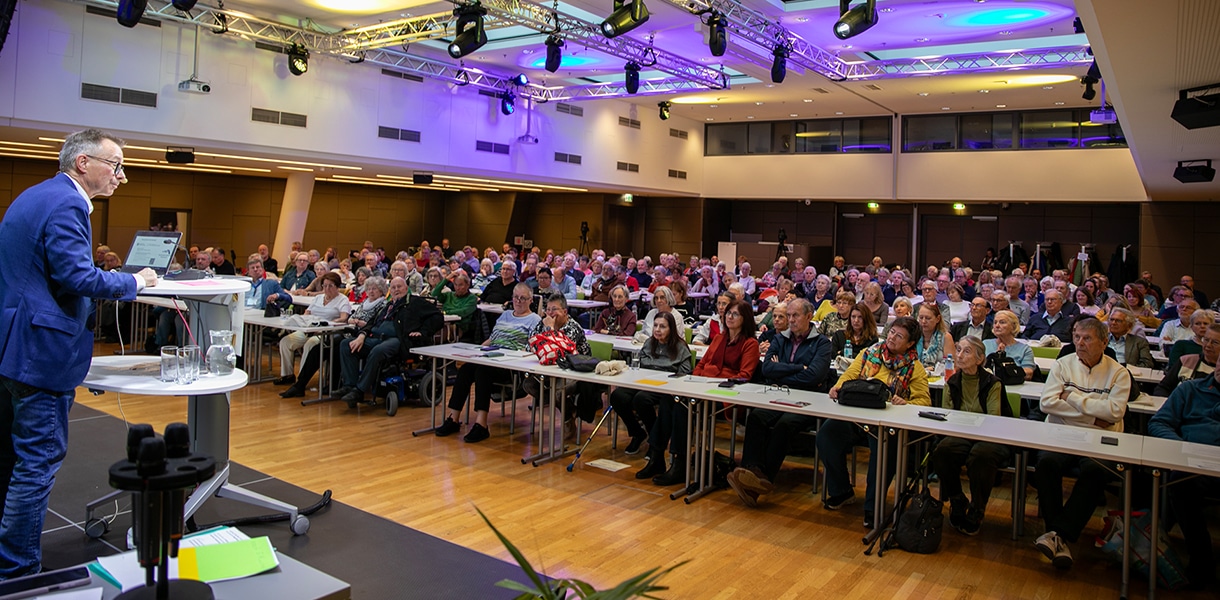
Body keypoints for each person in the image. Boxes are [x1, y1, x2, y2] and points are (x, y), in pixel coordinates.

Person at [0, 128, 158, 579]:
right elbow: (76, 277)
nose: (122, 177)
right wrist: (134, 282)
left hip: (13, 348)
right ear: (83, 163)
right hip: (41, 354)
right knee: (36, 464)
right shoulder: (68, 202)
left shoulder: (35, 196)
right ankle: (18, 572)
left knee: (10, 460)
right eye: (116, 166)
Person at [1033, 315, 1131, 570]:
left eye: (1087, 338)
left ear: (1103, 342)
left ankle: (1057, 535)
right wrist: (1093, 415)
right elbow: (1046, 404)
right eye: (1076, 337)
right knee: (1046, 463)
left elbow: (1115, 413)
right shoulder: (1063, 364)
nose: (1079, 343)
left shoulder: (1118, 373)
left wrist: (1071, 396)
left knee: (1095, 470)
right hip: (1061, 435)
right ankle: (1059, 535)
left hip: (1101, 440)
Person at [817, 316, 930, 528]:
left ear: (910, 344)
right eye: (892, 332)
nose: (893, 338)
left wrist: (905, 402)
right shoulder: (869, 353)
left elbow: (924, 400)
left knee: (882, 450)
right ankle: (841, 491)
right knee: (827, 434)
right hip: (858, 415)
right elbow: (850, 375)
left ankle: (872, 506)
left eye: (900, 336)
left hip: (888, 424)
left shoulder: (914, 367)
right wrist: (838, 387)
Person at [725, 299, 833, 507]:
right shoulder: (779, 338)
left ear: (809, 316)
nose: (790, 320)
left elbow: (813, 376)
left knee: (785, 424)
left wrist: (783, 370)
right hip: (777, 394)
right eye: (789, 316)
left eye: (795, 316)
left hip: (808, 399)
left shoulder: (822, 343)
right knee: (756, 417)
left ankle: (760, 478)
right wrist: (798, 368)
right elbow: (767, 370)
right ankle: (752, 471)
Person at [437, 285, 541, 443]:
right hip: (492, 355)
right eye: (516, 297)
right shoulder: (505, 315)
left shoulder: (534, 320)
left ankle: (481, 424)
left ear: (530, 300)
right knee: (466, 369)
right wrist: (478, 350)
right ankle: (453, 418)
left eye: (523, 298)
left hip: (512, 365)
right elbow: (493, 338)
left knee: (482, 371)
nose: (518, 301)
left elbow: (533, 347)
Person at [1148, 367, 1220, 589]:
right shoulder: (1190, 389)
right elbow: (1159, 423)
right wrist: (1183, 448)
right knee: (1181, 483)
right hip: (1191, 462)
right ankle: (1201, 560)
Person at [933, 336, 1010, 536]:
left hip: (990, 435)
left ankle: (977, 507)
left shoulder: (993, 383)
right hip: (961, 432)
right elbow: (947, 414)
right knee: (943, 451)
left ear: (979, 359)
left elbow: (994, 418)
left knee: (980, 455)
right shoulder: (952, 381)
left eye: (966, 351)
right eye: (958, 350)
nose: (959, 355)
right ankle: (957, 498)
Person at [335, 277, 442, 407]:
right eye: (393, 287)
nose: (396, 290)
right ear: (389, 291)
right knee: (346, 344)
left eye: (399, 286)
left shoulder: (415, 302)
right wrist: (361, 336)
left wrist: (423, 332)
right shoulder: (388, 305)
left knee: (378, 351)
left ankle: (359, 390)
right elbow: (371, 323)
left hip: (398, 340)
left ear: (406, 288)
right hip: (375, 337)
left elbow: (438, 316)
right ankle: (349, 386)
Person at [613, 312, 693, 464]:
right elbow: (640, 363)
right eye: (655, 326)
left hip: (666, 386)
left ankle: (654, 441)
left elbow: (686, 371)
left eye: (662, 326)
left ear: (671, 329)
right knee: (618, 396)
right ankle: (638, 433)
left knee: (641, 399)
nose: (657, 329)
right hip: (643, 381)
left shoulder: (679, 346)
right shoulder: (649, 343)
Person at [274, 272, 352, 387]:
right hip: (309, 328)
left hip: (326, 332)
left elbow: (344, 318)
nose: (327, 289)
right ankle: (287, 375)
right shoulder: (318, 298)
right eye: (324, 286)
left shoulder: (342, 300)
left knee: (310, 344)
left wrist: (327, 324)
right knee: (286, 342)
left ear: (337, 287)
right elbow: (307, 312)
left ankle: (302, 380)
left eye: (330, 286)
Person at [1154, 323, 1220, 396]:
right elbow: (1163, 388)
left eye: (1215, 343)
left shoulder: (1218, 371)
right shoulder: (1185, 361)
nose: (1208, 345)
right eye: (1206, 340)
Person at [984, 310, 1035, 380]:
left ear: (1013, 326)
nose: (997, 325)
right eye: (995, 322)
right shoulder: (985, 344)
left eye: (1002, 322)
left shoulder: (1024, 349)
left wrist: (1006, 369)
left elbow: (1029, 373)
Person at [915, 302, 954, 368]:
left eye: (928, 318)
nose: (923, 321)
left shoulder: (946, 337)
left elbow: (952, 365)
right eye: (921, 318)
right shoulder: (914, 336)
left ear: (937, 319)